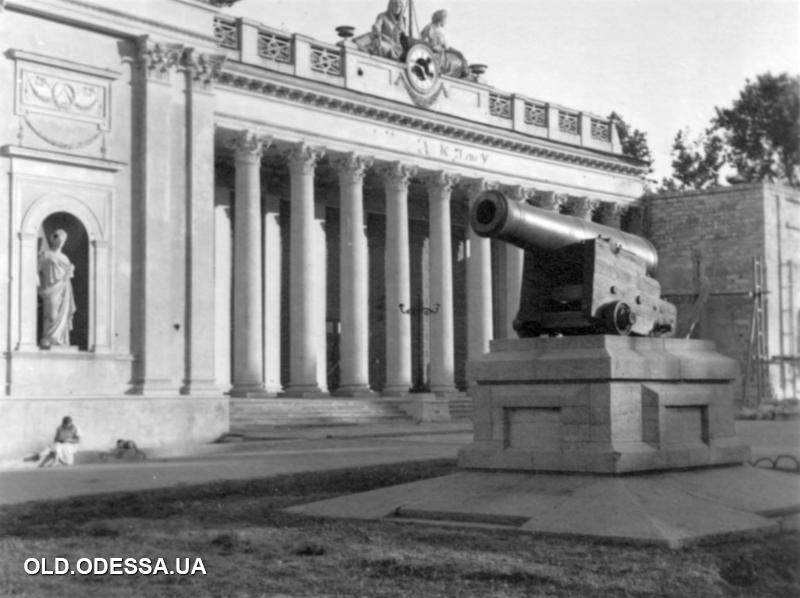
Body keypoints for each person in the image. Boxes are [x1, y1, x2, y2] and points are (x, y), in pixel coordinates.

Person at [37, 228, 77, 348]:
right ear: (53, 239)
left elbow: (69, 274)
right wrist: (39, 287)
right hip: (50, 290)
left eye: (63, 240)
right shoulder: (45, 255)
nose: (61, 242)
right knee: (52, 316)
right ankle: (48, 338)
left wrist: (70, 270)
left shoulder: (65, 258)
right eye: (58, 239)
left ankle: (60, 340)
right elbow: (36, 271)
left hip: (64, 289)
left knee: (62, 316)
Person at [420, 9, 469, 78]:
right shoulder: (429, 27)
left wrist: (458, 52)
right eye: (445, 19)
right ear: (441, 18)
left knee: (459, 58)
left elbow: (446, 46)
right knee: (456, 62)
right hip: (434, 54)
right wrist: (434, 47)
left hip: (442, 53)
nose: (446, 21)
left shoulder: (439, 30)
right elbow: (423, 42)